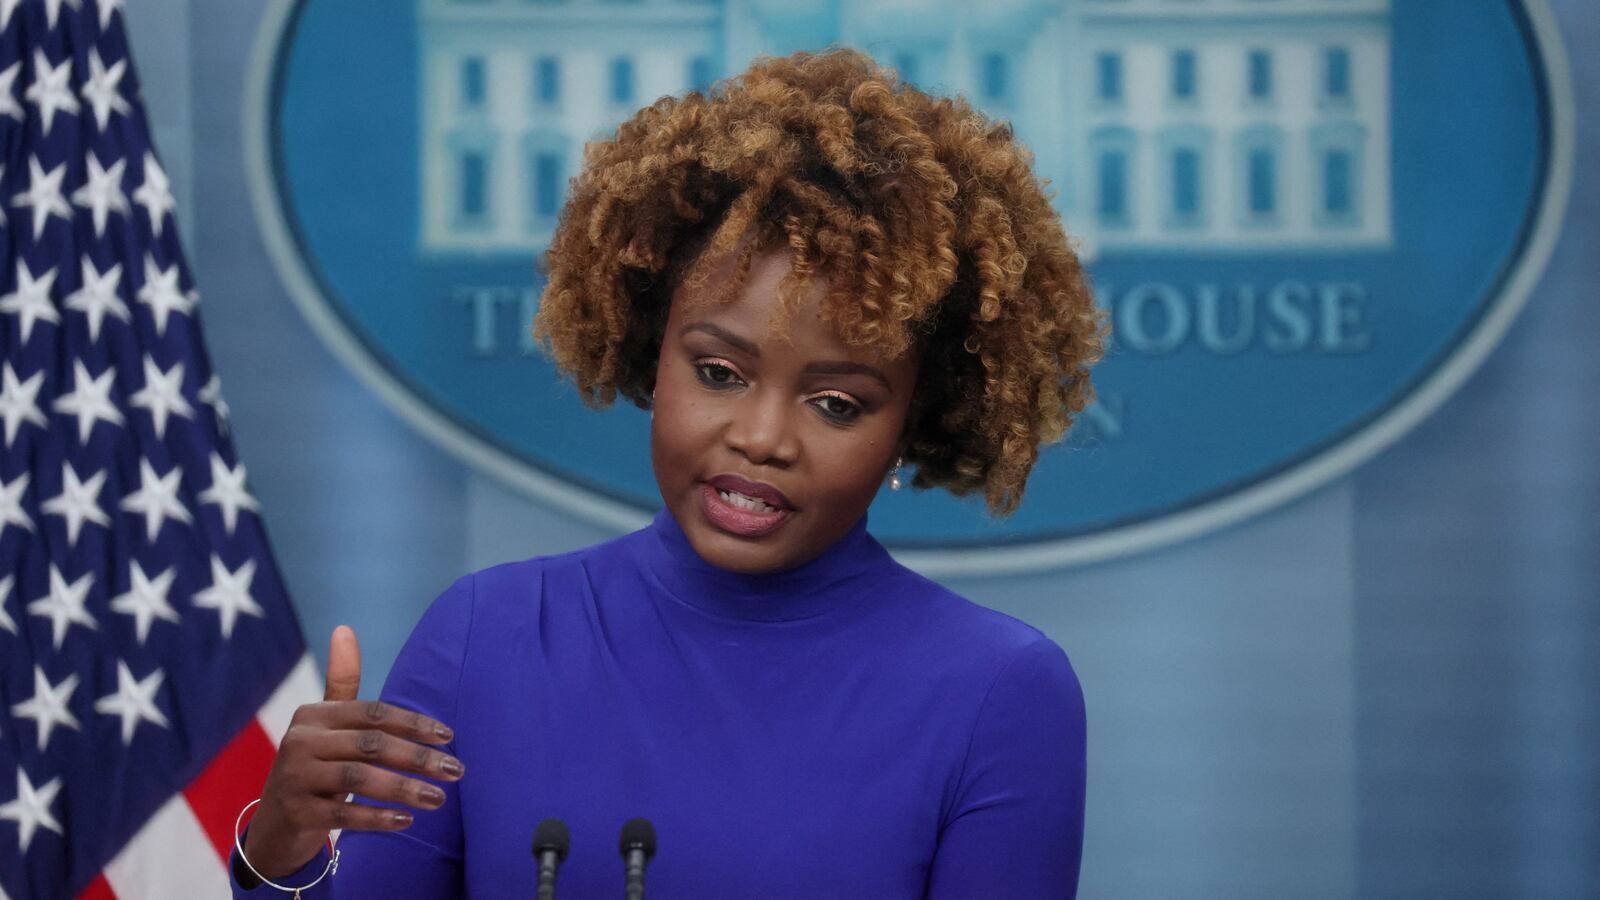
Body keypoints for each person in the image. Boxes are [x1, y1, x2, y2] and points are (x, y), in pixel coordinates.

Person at [230, 48, 1105, 898]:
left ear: (915, 420)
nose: (762, 438)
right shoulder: (483, 641)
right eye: (719, 373)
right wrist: (284, 852)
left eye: (837, 403)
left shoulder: (1000, 693)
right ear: (652, 355)